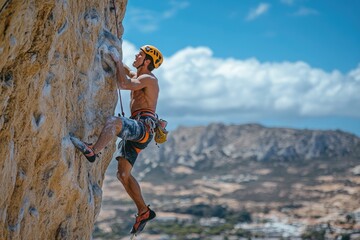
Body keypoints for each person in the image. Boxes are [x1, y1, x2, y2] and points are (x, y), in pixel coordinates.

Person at [70, 45, 163, 234]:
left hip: (142, 127)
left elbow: (124, 84)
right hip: (138, 129)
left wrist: (118, 62)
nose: (136, 55)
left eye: (140, 55)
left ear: (147, 61)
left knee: (114, 122)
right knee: (122, 175)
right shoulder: (141, 76)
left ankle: (92, 151)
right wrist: (115, 60)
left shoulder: (148, 78)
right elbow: (129, 74)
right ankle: (143, 211)